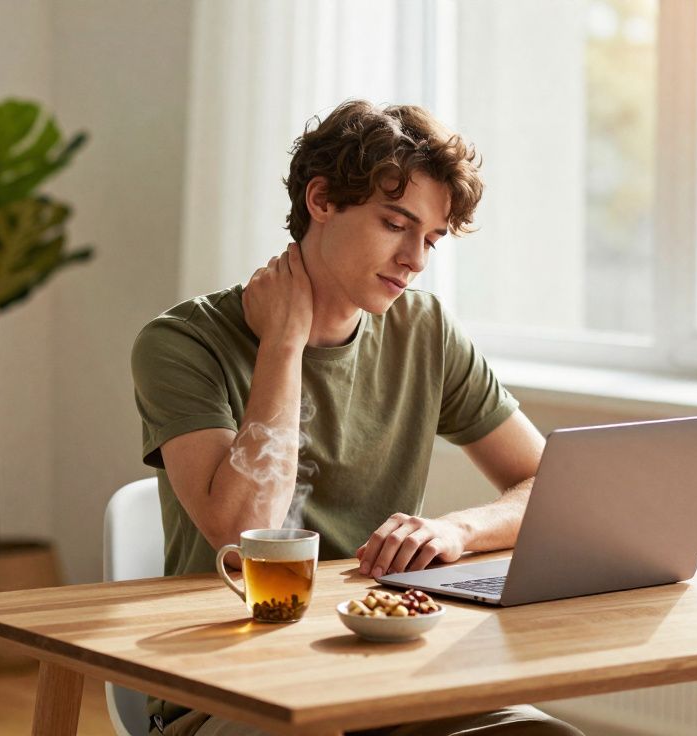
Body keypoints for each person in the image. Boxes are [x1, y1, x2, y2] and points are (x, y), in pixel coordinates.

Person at [131, 99, 583, 736]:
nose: (415, 259)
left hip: (392, 673)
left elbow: (556, 486)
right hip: (229, 690)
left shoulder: (424, 331)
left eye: (429, 239)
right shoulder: (182, 343)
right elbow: (244, 530)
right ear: (321, 200)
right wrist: (283, 344)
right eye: (396, 224)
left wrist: (458, 529)